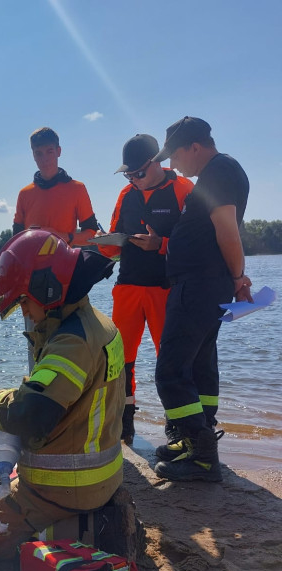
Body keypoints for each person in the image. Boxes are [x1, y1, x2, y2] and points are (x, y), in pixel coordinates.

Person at [0, 229, 125, 558]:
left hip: (64, 488)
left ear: (45, 288)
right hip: (101, 477)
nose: (24, 312)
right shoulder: (99, 324)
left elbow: (33, 415)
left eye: (23, 301)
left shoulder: (71, 342)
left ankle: (69, 534)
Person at [151, 117, 251, 482]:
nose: (173, 166)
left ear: (194, 147)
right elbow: (224, 233)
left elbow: (227, 229)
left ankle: (202, 454)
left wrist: (238, 276)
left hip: (199, 286)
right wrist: (234, 276)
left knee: (171, 373)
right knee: (199, 368)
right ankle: (200, 441)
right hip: (207, 284)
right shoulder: (220, 172)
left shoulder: (219, 171)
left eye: (175, 156)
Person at [100, 134, 193, 444]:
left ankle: (177, 425)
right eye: (128, 174)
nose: (133, 179)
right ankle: (125, 423)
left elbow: (196, 243)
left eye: (138, 173)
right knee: (120, 360)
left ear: (157, 163)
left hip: (166, 289)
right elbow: (114, 243)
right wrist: (101, 242)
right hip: (127, 287)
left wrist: (161, 245)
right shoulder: (126, 194)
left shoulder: (183, 190)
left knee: (171, 359)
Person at [13, 126, 99, 246]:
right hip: (31, 263)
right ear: (33, 156)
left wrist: (61, 236)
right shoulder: (24, 194)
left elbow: (93, 235)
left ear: (58, 151)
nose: (45, 159)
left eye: (49, 152)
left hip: (64, 262)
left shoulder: (77, 189)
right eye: (39, 153)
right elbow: (16, 241)